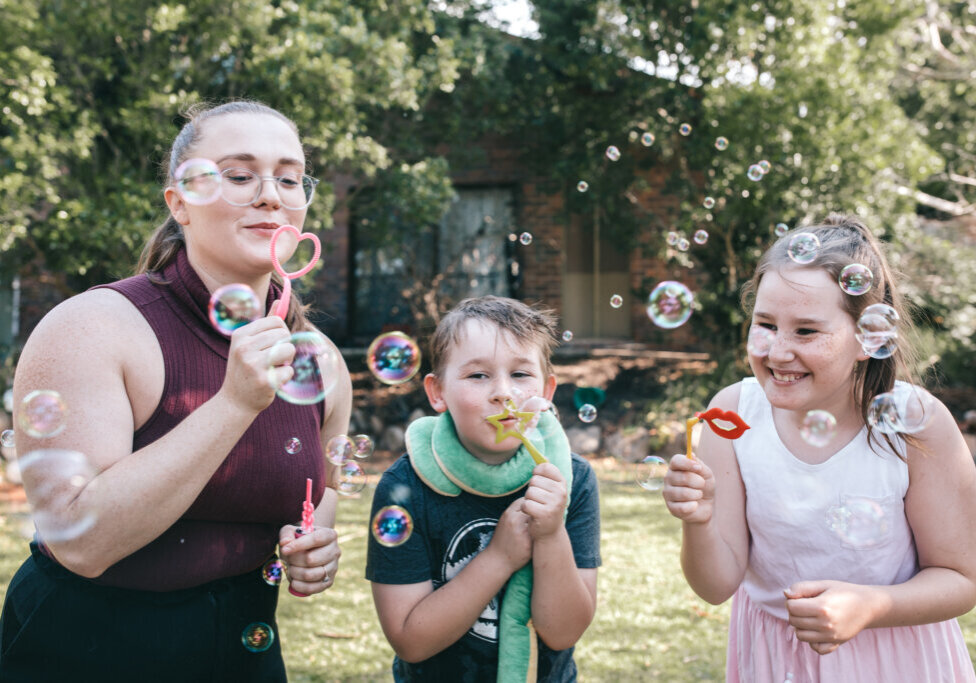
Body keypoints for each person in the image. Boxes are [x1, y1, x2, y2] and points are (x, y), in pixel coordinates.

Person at [0, 100, 352, 681]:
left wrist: (314, 541)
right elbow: (81, 543)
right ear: (179, 201)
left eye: (289, 178)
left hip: (245, 648)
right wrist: (235, 404)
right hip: (90, 649)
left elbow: (330, 484)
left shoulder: (319, 359)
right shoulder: (91, 328)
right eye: (239, 176)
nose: (270, 195)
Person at [663, 214, 976, 681]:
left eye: (806, 331)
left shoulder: (916, 425)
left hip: (895, 659)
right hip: (773, 660)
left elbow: (963, 579)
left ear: (872, 337)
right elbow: (714, 587)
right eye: (765, 324)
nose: (778, 351)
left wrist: (870, 605)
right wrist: (699, 519)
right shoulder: (733, 413)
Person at [366, 296, 601, 681]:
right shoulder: (405, 485)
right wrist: (500, 558)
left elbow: (563, 632)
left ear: (548, 391)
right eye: (478, 375)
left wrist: (552, 532)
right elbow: (411, 641)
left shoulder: (571, 480)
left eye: (521, 375)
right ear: (437, 392)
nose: (503, 393)